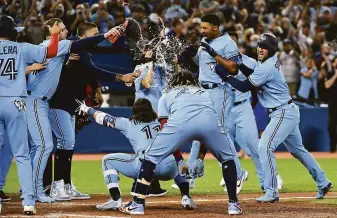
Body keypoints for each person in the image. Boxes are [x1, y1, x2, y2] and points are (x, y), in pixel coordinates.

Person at [215, 32, 332, 202]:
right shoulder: (266, 64)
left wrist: (225, 74)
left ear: (271, 50)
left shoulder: (268, 66)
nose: (261, 49)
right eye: (259, 46)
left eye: (265, 47)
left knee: (265, 146)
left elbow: (243, 86)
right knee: (298, 151)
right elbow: (250, 73)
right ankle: (322, 181)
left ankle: (271, 191)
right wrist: (238, 64)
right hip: (286, 110)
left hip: (282, 112)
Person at [116, 70, 242, 215]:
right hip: (209, 122)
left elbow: (164, 126)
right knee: (228, 160)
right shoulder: (204, 93)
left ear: (173, 82)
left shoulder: (167, 95)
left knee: (150, 158)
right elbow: (207, 125)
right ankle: (234, 205)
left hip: (180, 123)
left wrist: (179, 159)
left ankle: (138, 204)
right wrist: (200, 158)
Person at [26, 18, 123, 203]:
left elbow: (85, 70)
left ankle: (61, 186)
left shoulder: (53, 48)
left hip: (57, 102)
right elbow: (91, 69)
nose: (66, 33)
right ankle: (50, 187)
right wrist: (105, 35)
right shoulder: (62, 46)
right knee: (48, 144)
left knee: (50, 144)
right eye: (62, 30)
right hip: (50, 102)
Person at [43, 21, 138, 202]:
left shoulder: (81, 51)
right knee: (65, 141)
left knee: (67, 142)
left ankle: (66, 185)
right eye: (93, 34)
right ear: (85, 36)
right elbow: (93, 71)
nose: (96, 38)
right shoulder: (75, 47)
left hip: (69, 102)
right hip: (58, 102)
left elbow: (88, 73)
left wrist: (96, 88)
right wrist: (120, 77)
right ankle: (57, 186)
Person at [77, 98, 196, 211]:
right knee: (178, 158)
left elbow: (102, 117)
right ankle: (186, 196)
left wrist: (87, 109)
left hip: (144, 168)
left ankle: (115, 199)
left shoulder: (128, 123)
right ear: (151, 109)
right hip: (168, 168)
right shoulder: (163, 123)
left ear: (134, 111)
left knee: (107, 160)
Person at [0, 15, 62, 215]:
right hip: (16, 103)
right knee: (22, 155)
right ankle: (28, 202)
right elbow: (51, 51)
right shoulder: (22, 47)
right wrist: (53, 35)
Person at [180, 13, 248, 193]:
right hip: (203, 90)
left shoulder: (227, 43)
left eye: (205, 27)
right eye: (201, 27)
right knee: (201, 131)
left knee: (221, 133)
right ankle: (193, 171)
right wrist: (190, 57)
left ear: (215, 27)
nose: (202, 30)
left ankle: (239, 173)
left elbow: (234, 68)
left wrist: (215, 54)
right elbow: (201, 67)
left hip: (220, 91)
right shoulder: (204, 42)